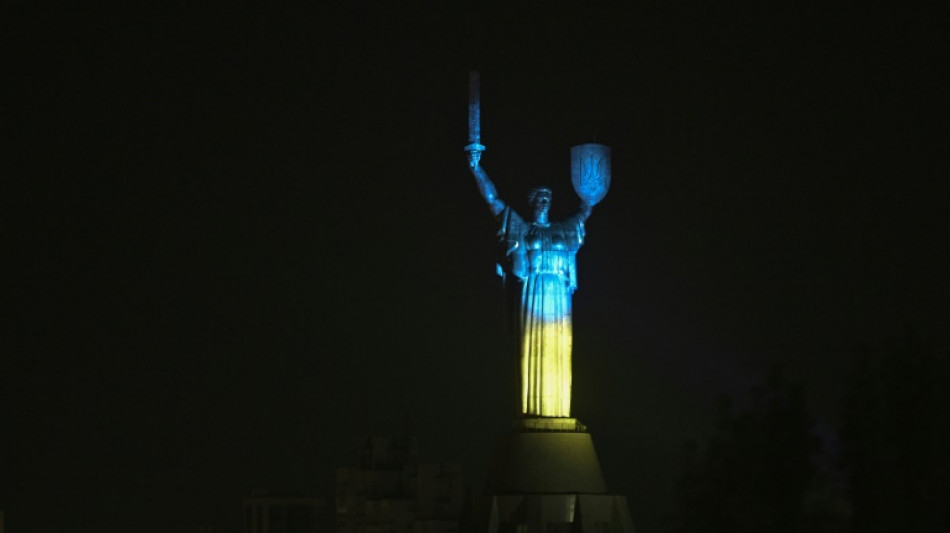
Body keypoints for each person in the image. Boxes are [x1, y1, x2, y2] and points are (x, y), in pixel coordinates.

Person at [468, 150, 592, 418]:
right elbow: (493, 201)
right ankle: (531, 412)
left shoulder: (563, 229)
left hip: (559, 296)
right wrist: (476, 168)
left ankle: (559, 413)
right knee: (530, 348)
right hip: (532, 291)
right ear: (532, 202)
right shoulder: (522, 229)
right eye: (539, 197)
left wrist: (591, 189)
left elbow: (585, 211)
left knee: (559, 348)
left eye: (548, 197)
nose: (545, 201)